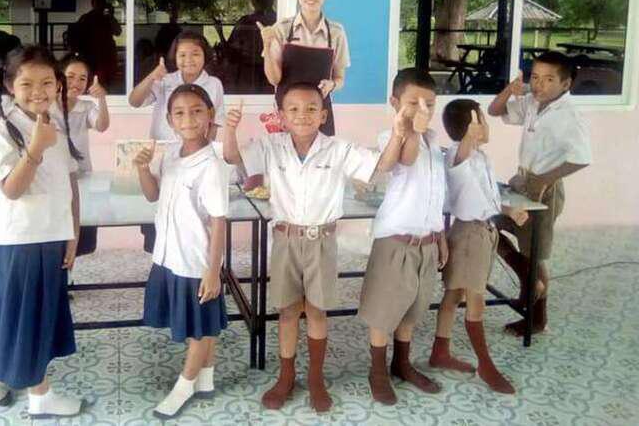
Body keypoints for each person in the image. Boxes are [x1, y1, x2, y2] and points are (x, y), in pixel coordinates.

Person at [223, 82, 399, 413]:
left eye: (310, 109)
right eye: (293, 109)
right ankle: (286, 376)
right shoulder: (270, 146)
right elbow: (233, 156)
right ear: (281, 116)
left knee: (317, 311)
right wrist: (229, 129)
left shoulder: (338, 149)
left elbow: (381, 166)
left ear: (323, 115)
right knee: (288, 310)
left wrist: (399, 131)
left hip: (322, 242)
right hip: (285, 240)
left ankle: (316, 378)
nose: (302, 115)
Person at [0, 45, 85, 417]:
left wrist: (73, 233)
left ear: (58, 84)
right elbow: (12, 190)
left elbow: (69, 182)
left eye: (47, 82)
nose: (38, 91)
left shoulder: (55, 122)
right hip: (22, 240)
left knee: (20, 314)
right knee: (28, 318)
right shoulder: (3, 132)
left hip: (52, 235)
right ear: (9, 87)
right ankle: (40, 397)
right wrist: (35, 148)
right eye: (27, 84)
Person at [134, 84, 228, 419]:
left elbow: (219, 221)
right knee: (204, 322)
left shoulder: (212, 165)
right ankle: (206, 378)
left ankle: (184, 385)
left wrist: (213, 271)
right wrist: (143, 168)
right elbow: (152, 195)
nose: (188, 119)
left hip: (195, 260)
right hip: (168, 255)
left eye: (196, 111)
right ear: (170, 120)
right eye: (179, 113)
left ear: (210, 115)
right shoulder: (172, 154)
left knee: (197, 327)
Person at [358, 68, 447, 405]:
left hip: (427, 241)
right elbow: (405, 161)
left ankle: (402, 363)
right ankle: (377, 371)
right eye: (413, 103)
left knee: (413, 308)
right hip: (396, 240)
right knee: (384, 309)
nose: (422, 110)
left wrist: (440, 234)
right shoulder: (390, 137)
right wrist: (412, 130)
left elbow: (436, 194)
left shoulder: (434, 142)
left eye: (429, 104)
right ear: (395, 102)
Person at [487, 51, 591, 334]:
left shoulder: (569, 115)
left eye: (548, 79)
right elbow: (494, 111)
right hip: (522, 182)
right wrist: (510, 90)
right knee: (490, 224)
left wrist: (545, 179)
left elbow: (582, 158)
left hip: (546, 188)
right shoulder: (533, 102)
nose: (539, 85)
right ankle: (530, 285)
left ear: (566, 84)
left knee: (534, 252)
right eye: (534, 77)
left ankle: (538, 318)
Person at [429, 99, 529, 394]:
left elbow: (485, 196)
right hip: (468, 235)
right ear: (472, 126)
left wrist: (508, 211)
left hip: (483, 231)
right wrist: (469, 137)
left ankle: (440, 351)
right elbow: (461, 156)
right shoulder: (457, 155)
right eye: (482, 119)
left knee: (454, 294)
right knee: (475, 300)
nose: (487, 125)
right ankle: (486, 365)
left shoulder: (481, 158)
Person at [129, 31, 225, 253]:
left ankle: (188, 259)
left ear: (205, 55)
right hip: (162, 156)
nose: (188, 60)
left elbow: (215, 124)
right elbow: (134, 101)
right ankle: (161, 256)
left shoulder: (213, 84)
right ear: (175, 57)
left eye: (195, 54)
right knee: (158, 208)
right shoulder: (166, 80)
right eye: (182, 55)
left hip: (194, 158)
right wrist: (153, 76)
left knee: (189, 213)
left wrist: (203, 155)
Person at [257, 0, 350, 135]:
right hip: (288, 112)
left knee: (321, 152)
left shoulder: (336, 32)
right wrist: (267, 45)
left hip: (318, 112)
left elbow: (340, 78)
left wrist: (332, 85)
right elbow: (274, 79)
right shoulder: (282, 29)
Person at [51, 53, 110, 257]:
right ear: (59, 77)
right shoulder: (47, 107)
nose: (76, 83)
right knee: (57, 233)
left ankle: (68, 268)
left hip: (81, 177)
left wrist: (102, 99)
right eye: (70, 76)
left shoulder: (86, 107)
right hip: (54, 178)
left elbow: (102, 126)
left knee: (82, 236)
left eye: (82, 79)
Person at [221, 0, 277, 92]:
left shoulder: (246, 22)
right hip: (264, 83)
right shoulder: (280, 20)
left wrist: (220, 35)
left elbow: (230, 55)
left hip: (251, 80)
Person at [71, 0, 122, 90]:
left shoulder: (107, 18)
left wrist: (111, 16)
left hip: (106, 53)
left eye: (102, 3)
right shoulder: (86, 18)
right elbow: (78, 36)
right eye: (98, 4)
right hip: (92, 54)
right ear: (93, 5)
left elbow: (118, 31)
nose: (100, 6)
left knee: (107, 79)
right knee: (92, 78)